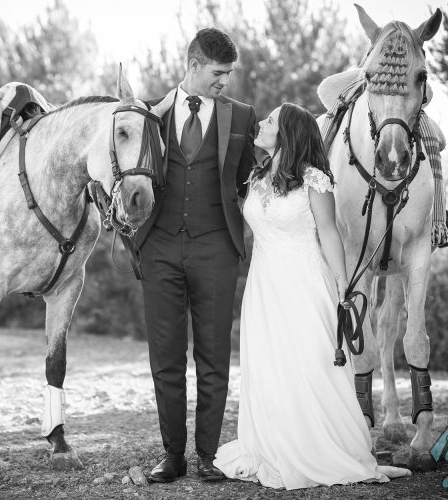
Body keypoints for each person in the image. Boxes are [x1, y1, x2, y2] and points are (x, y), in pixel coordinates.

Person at [213, 103, 412, 489]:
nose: (262, 124)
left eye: (270, 121)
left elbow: (329, 232)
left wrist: (342, 284)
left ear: (287, 133)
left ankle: (325, 450)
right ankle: (273, 445)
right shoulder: (256, 177)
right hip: (263, 287)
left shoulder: (314, 180)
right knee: (270, 367)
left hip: (303, 283)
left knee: (310, 364)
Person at [135, 28, 257, 483]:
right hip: (160, 246)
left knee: (213, 357)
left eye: (229, 73)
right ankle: (173, 455)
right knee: (165, 358)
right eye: (218, 72)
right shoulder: (149, 113)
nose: (225, 81)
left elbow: (250, 184)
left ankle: (207, 455)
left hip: (216, 249)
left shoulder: (241, 116)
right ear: (193, 65)